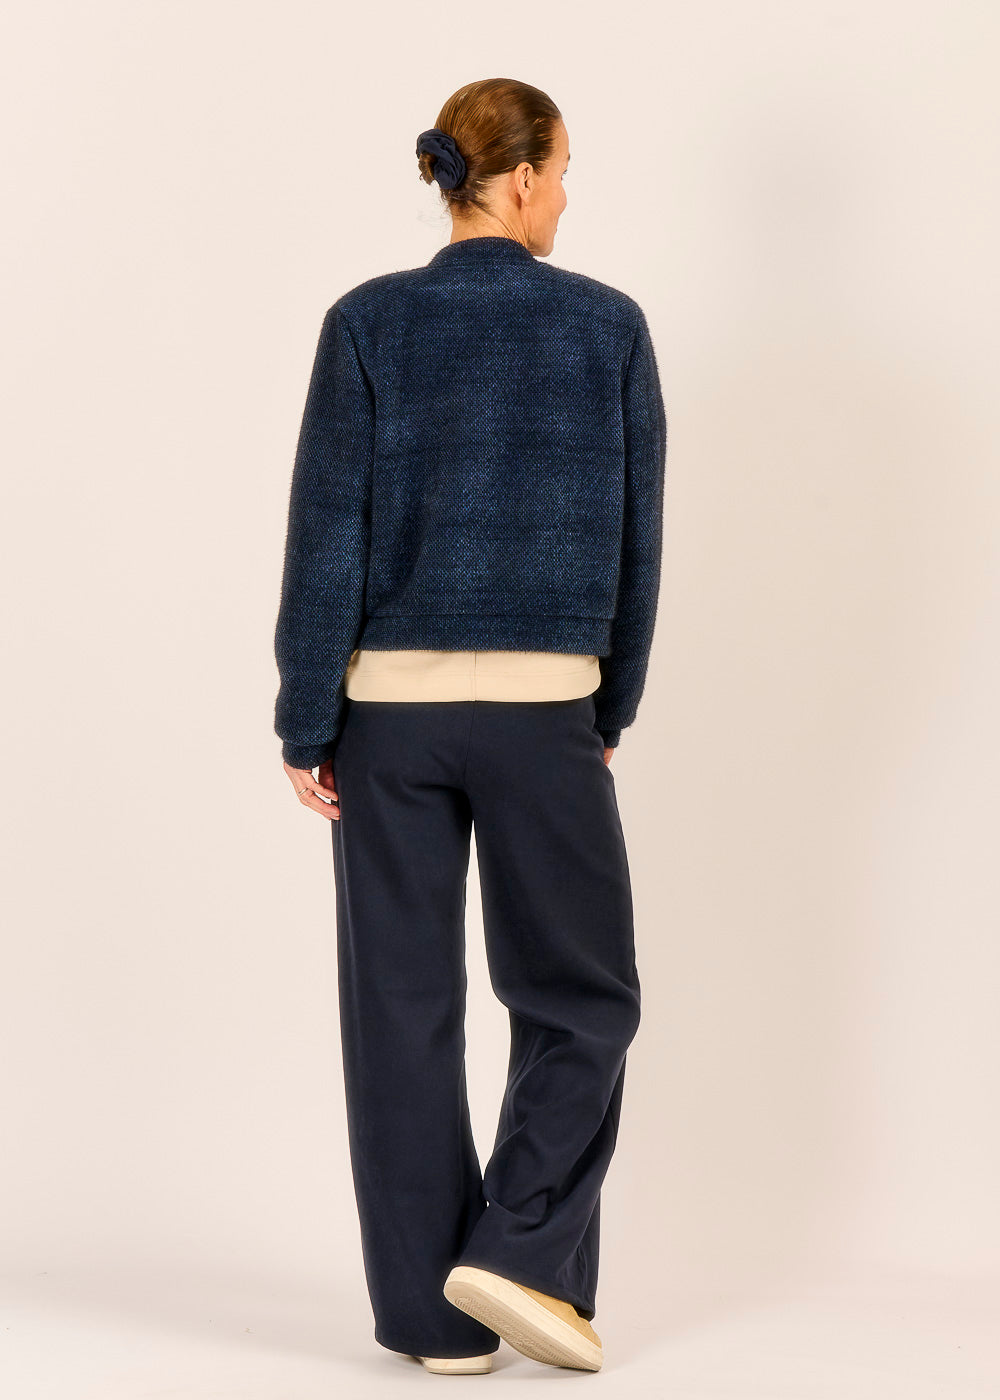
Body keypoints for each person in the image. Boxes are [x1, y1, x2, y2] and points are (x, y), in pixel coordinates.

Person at [272, 77, 667, 1375]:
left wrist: (308, 718)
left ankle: (438, 1323)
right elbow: (637, 544)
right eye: (564, 172)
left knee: (399, 1010)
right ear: (522, 177)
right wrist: (610, 701)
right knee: (582, 998)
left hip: (388, 725)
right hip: (543, 716)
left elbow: (327, 536)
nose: (568, 197)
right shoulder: (606, 328)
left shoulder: (368, 322)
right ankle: (520, 1250)